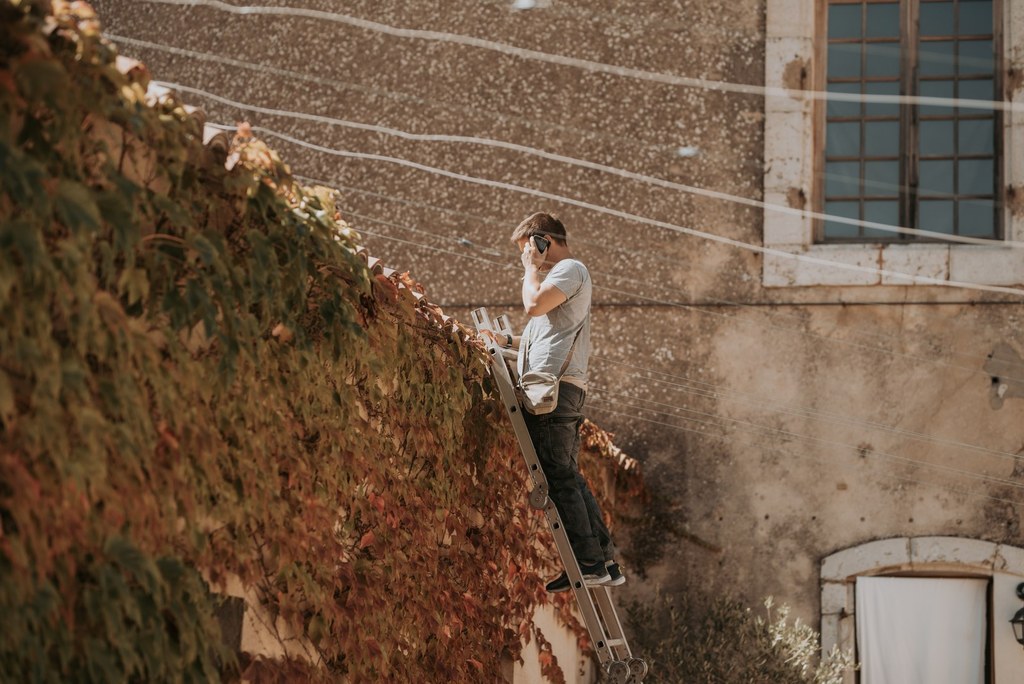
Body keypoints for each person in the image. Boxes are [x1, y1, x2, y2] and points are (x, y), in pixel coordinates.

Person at [485, 212, 624, 592]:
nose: (527, 257)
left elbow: (532, 306)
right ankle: (604, 561)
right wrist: (507, 346)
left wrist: (530, 270)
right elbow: (544, 339)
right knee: (569, 475)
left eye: (528, 248)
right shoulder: (562, 285)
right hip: (558, 388)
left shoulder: (568, 271)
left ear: (543, 240)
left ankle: (590, 563)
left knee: (559, 478)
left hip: (554, 391)